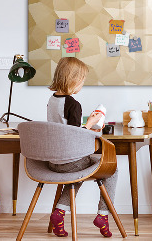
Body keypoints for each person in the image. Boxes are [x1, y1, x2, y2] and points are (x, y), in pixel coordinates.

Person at [47, 57, 117, 238]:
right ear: (73, 80)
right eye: (82, 80)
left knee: (77, 173)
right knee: (112, 169)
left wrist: (87, 124)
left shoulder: (52, 100)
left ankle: (59, 213)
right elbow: (75, 136)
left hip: (53, 161)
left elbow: (64, 129)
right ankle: (103, 215)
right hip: (70, 161)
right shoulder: (73, 104)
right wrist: (92, 123)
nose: (82, 84)